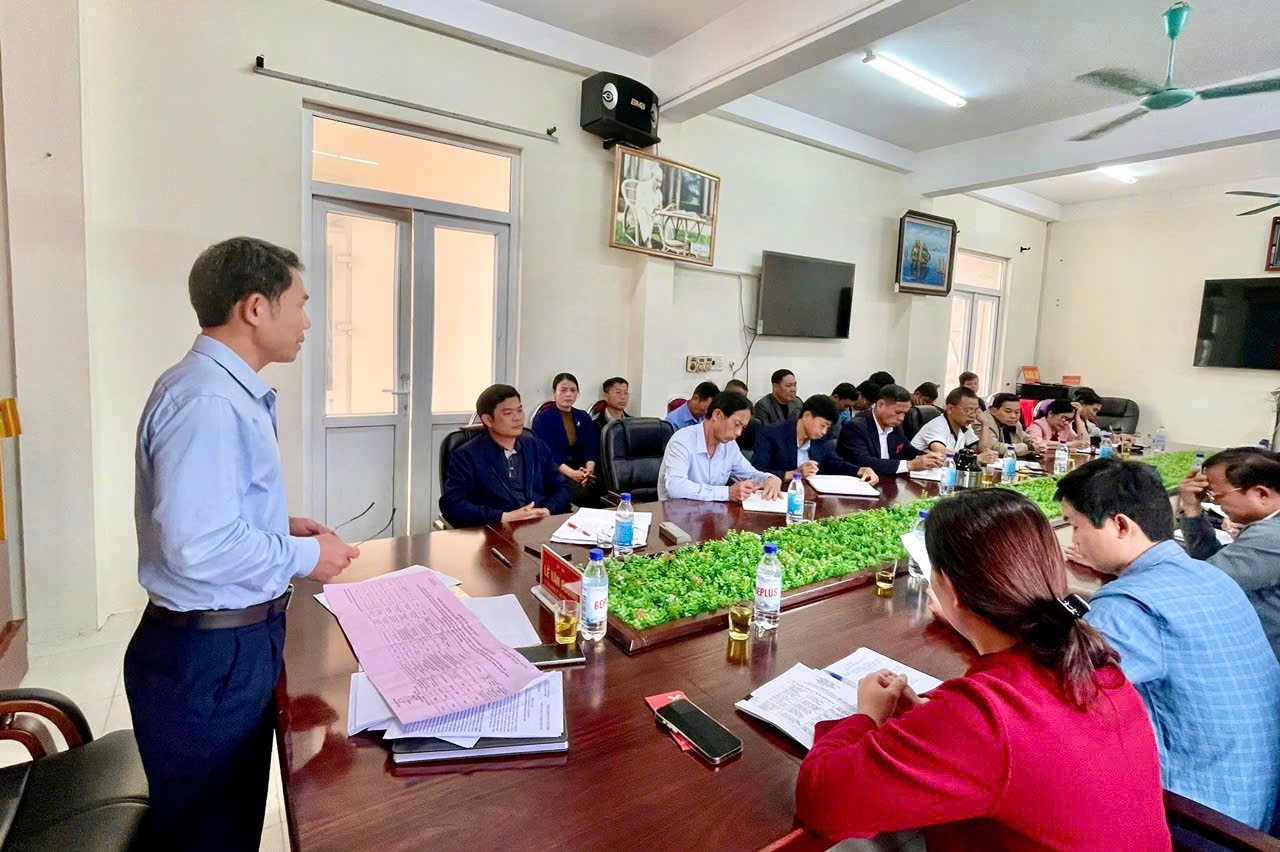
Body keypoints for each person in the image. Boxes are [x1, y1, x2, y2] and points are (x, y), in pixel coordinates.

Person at [127, 237, 361, 849]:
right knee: (212, 835)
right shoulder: (208, 400)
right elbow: (198, 546)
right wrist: (308, 557)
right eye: (301, 304)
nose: (307, 321)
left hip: (224, 645)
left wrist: (278, 525)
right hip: (209, 656)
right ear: (256, 307)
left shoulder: (218, 388)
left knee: (227, 822)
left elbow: (206, 516)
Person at [795, 489, 1169, 849]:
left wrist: (867, 716)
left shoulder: (987, 715)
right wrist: (931, 720)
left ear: (949, 589)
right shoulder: (1096, 666)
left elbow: (823, 802)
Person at [1056, 459, 1280, 829]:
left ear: (1121, 525)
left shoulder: (1130, 606)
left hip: (1199, 820)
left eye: (1076, 526)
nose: (1075, 541)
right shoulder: (1208, 576)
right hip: (1255, 805)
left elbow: (1051, 696)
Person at [1178, 448, 1280, 660]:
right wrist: (1192, 508)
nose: (1216, 504)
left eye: (1216, 495)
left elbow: (1202, 583)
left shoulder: (1270, 535)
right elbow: (1212, 561)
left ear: (1261, 493)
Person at [440, 384, 571, 527]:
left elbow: (562, 487)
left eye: (519, 410)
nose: (518, 418)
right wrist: (504, 517)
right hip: (494, 532)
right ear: (488, 420)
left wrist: (547, 510)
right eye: (508, 413)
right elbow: (452, 504)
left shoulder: (537, 447)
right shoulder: (467, 456)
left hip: (540, 527)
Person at [658, 391, 782, 502]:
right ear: (717, 415)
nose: (739, 433)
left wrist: (769, 479)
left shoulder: (729, 446)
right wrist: (727, 493)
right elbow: (676, 487)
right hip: (677, 514)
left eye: (742, 427)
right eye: (736, 424)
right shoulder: (682, 440)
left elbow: (749, 474)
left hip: (712, 513)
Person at [751, 395, 879, 485]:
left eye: (827, 427)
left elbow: (835, 463)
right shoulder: (771, 434)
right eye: (822, 425)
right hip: (779, 494)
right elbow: (756, 471)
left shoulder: (821, 440)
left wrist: (860, 470)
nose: (824, 432)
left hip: (812, 496)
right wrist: (794, 474)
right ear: (807, 416)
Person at [836, 385, 944, 477]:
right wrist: (910, 465)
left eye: (905, 413)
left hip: (889, 483)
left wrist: (930, 458)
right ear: (880, 405)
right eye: (898, 412)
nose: (902, 418)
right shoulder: (856, 427)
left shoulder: (894, 426)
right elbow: (864, 462)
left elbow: (908, 450)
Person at [532, 373, 600, 506]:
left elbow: (591, 447)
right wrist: (572, 474)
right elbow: (548, 454)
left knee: (605, 490)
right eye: (563, 390)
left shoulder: (583, 416)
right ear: (554, 393)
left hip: (582, 470)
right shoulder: (543, 419)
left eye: (573, 390)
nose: (568, 394)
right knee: (579, 494)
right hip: (556, 471)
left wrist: (589, 471)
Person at [910, 386, 998, 464]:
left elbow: (981, 450)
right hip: (916, 474)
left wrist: (985, 423)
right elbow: (941, 453)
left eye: (975, 410)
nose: (973, 415)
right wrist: (975, 458)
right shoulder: (936, 426)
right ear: (950, 409)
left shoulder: (964, 426)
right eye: (968, 410)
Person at [977, 392, 1042, 458]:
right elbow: (993, 447)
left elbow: (1026, 438)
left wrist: (1039, 444)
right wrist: (1029, 448)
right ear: (994, 411)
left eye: (1017, 412)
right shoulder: (982, 421)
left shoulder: (1015, 423)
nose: (1013, 416)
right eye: (1008, 411)